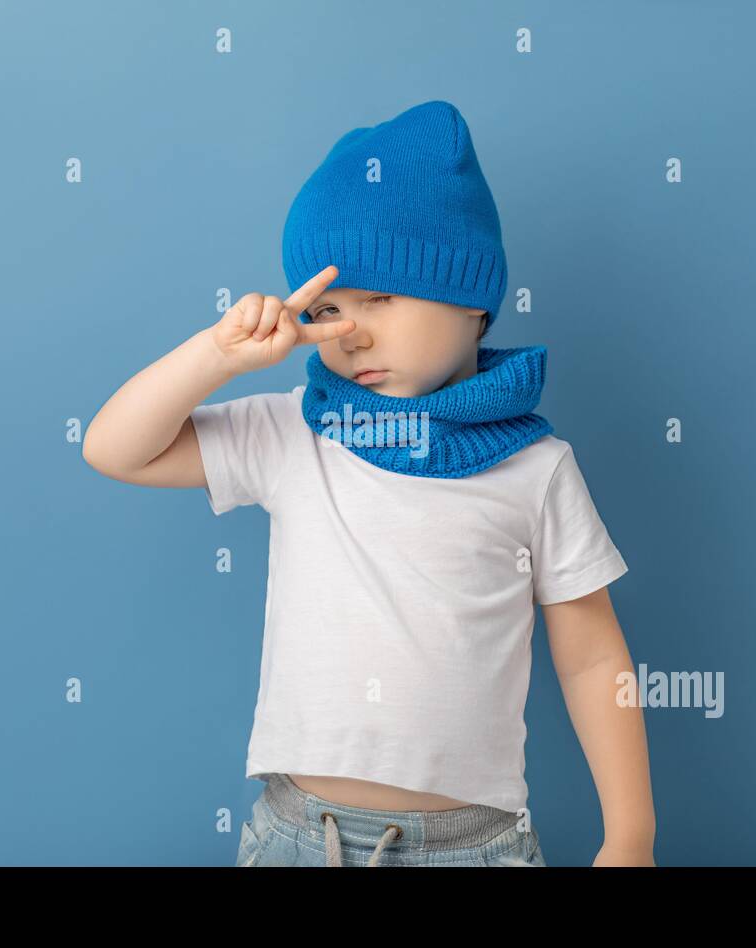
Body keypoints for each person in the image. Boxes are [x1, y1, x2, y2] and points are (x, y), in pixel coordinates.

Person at [83, 100, 655, 866]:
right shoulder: (297, 432)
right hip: (296, 837)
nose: (351, 331)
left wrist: (631, 836)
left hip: (473, 847)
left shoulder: (535, 469)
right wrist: (216, 356)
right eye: (326, 309)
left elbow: (590, 655)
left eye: (381, 296)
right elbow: (115, 449)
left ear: (472, 295)